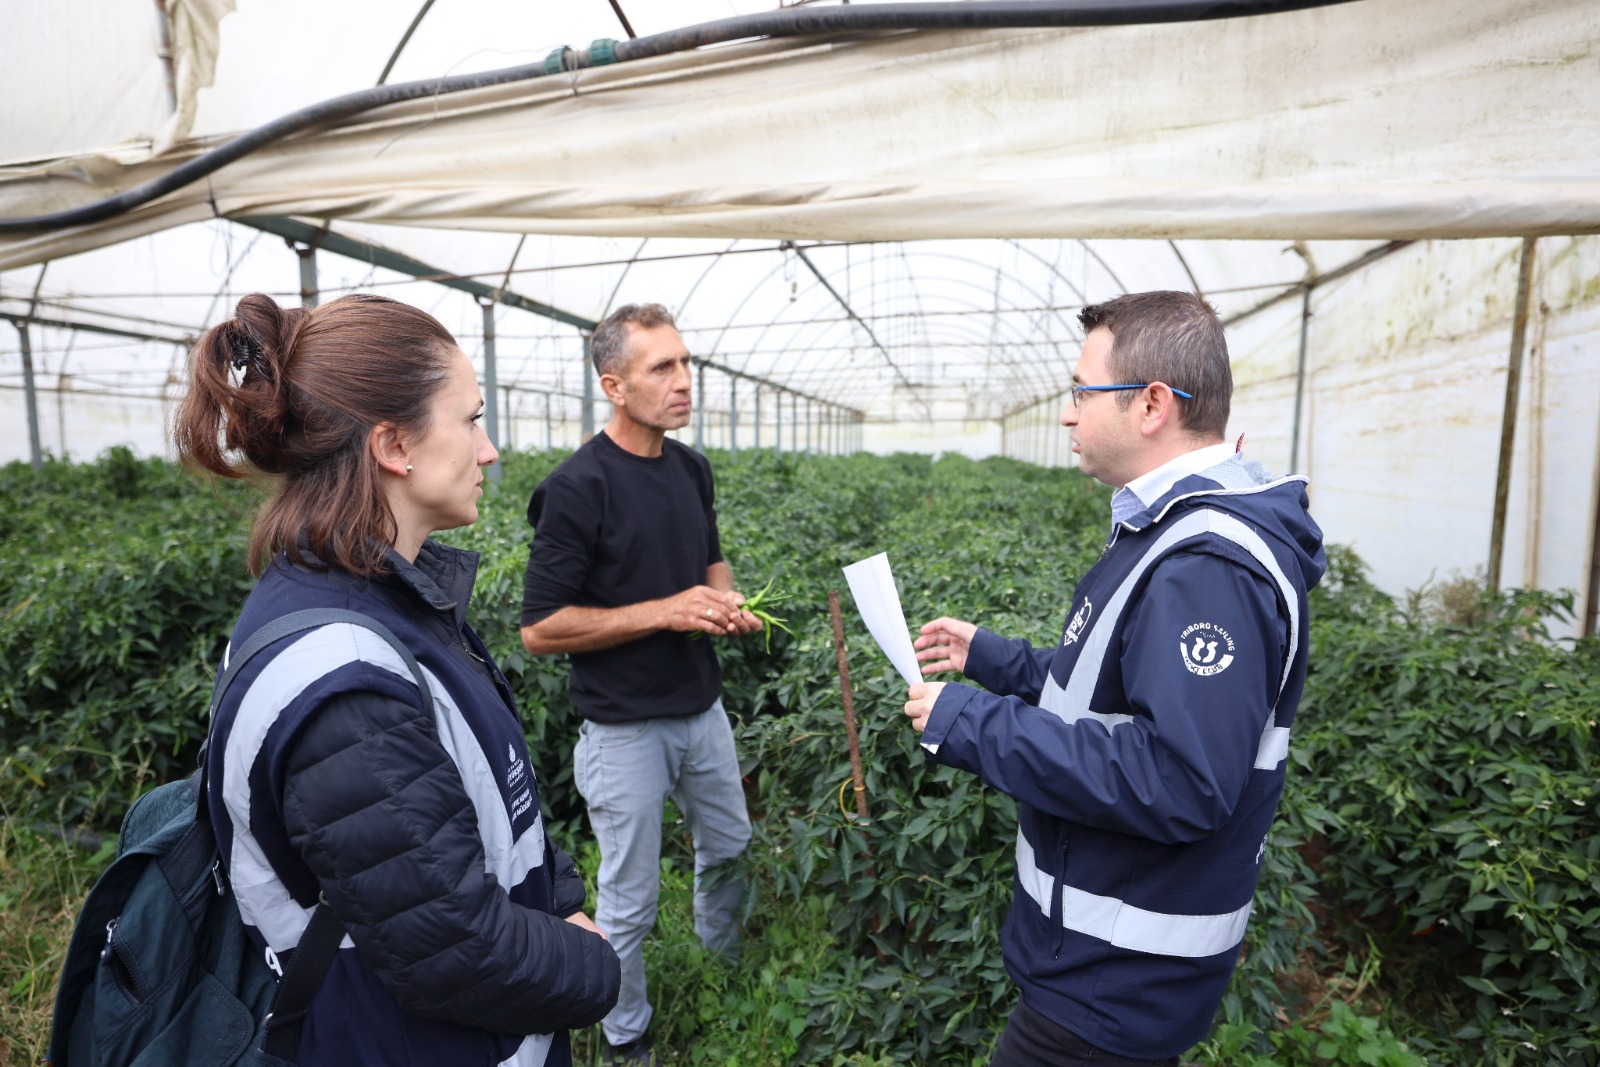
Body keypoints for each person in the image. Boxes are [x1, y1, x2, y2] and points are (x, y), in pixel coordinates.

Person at [174, 292, 619, 1067]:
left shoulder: (391, 602)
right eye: (471, 418)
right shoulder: (342, 679)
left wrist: (556, 903)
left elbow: (482, 822)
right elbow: (452, 946)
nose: (488, 450)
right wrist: (594, 965)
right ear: (393, 445)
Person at [906, 291, 1326, 1066]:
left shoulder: (1208, 565)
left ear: (1154, 405)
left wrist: (971, 722)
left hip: (1114, 983)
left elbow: (1180, 776)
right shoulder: (1165, 529)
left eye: (1081, 391)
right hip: (1100, 966)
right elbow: (1105, 691)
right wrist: (993, 658)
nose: (1068, 415)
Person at [519, 303, 756, 1066]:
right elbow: (540, 626)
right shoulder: (577, 487)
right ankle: (628, 1038)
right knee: (629, 899)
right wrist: (667, 611)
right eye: (664, 367)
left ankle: (722, 973)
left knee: (730, 847)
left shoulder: (691, 468)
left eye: (687, 363)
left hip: (702, 709)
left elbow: (710, 558)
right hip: (625, 728)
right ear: (614, 385)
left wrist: (724, 599)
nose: (685, 381)